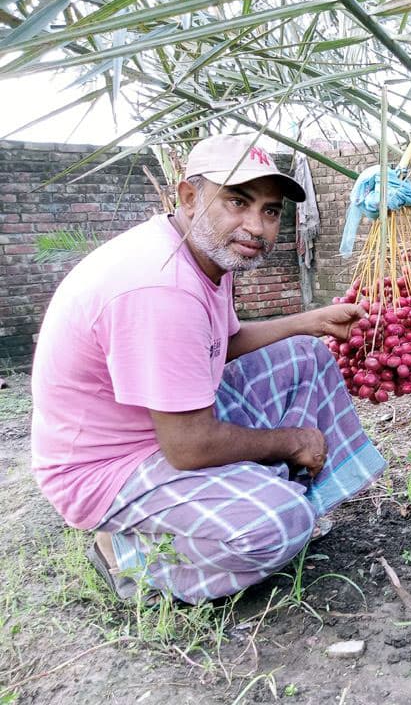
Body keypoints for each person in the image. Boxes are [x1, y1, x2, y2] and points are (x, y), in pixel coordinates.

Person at [30, 134, 385, 604]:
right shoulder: (161, 288)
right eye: (237, 201)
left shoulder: (199, 254)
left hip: (156, 429)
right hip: (107, 470)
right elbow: (189, 446)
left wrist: (312, 321)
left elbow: (223, 343)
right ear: (190, 197)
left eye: (271, 211)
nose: (256, 227)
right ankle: (131, 552)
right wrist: (292, 440)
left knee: (307, 354)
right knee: (278, 525)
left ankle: (267, 496)